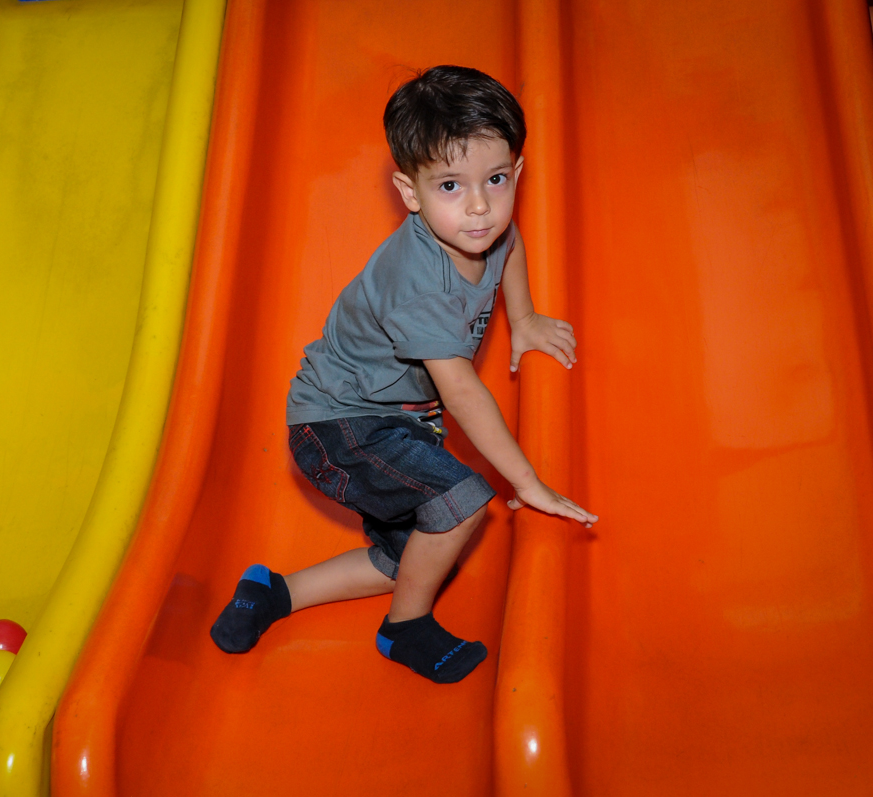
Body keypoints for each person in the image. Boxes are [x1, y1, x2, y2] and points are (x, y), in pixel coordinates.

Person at [210, 65, 597, 684]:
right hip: (340, 422)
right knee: (463, 502)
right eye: (450, 186)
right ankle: (404, 629)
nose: (479, 206)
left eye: (496, 180)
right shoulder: (416, 282)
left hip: (397, 420)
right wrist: (528, 482)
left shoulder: (486, 229)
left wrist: (521, 321)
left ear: (517, 174)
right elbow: (463, 391)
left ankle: (274, 593)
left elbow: (512, 243)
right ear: (409, 192)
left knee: (408, 556)